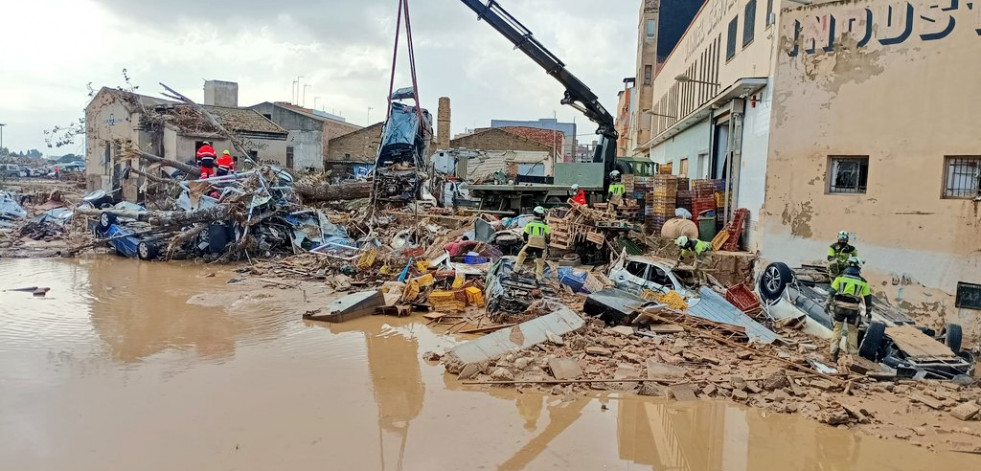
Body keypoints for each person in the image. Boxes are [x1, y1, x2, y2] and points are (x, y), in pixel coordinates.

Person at [825, 256, 873, 362]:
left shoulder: (840, 277)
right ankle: (853, 357)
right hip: (853, 311)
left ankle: (833, 354)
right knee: (853, 332)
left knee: (837, 330)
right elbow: (868, 297)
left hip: (839, 309)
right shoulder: (863, 281)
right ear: (858, 267)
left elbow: (831, 292)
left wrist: (827, 304)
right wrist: (868, 311)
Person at [514, 206, 551, 282]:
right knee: (540, 262)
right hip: (540, 247)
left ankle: (516, 270)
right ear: (541, 215)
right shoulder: (545, 226)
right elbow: (548, 238)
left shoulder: (529, 224)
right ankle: (539, 278)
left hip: (530, 245)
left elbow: (525, 236)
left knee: (522, 254)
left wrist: (526, 241)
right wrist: (547, 244)